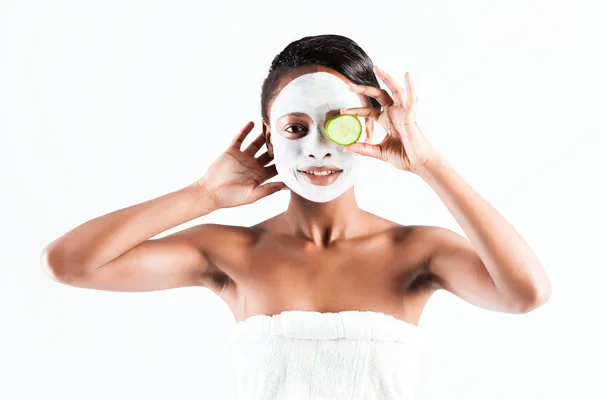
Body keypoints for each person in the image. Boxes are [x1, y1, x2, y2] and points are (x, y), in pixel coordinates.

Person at [40, 34, 552, 399]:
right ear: (267, 132)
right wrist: (202, 194)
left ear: (373, 126)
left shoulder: (416, 252)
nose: (318, 150)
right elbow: (68, 263)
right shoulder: (229, 253)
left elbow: (526, 293)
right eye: (295, 128)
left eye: (340, 125)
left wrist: (429, 163)